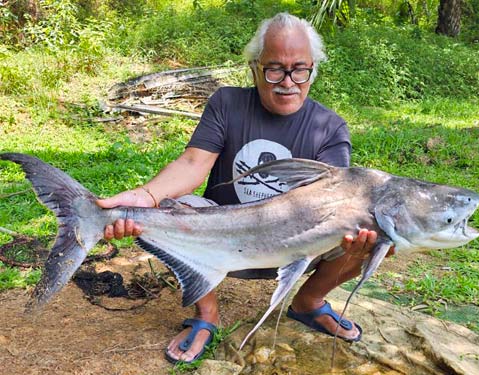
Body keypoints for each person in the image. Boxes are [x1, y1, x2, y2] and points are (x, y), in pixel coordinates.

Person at [97, 12, 392, 364]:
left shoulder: (328, 127)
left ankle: (308, 302)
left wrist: (366, 240)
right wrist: (147, 197)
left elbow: (338, 199)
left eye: (300, 69)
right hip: (221, 239)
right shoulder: (227, 103)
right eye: (274, 69)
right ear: (254, 67)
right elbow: (194, 162)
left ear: (313, 68)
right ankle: (207, 314)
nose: (288, 82)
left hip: (299, 248)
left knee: (371, 237)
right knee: (175, 208)